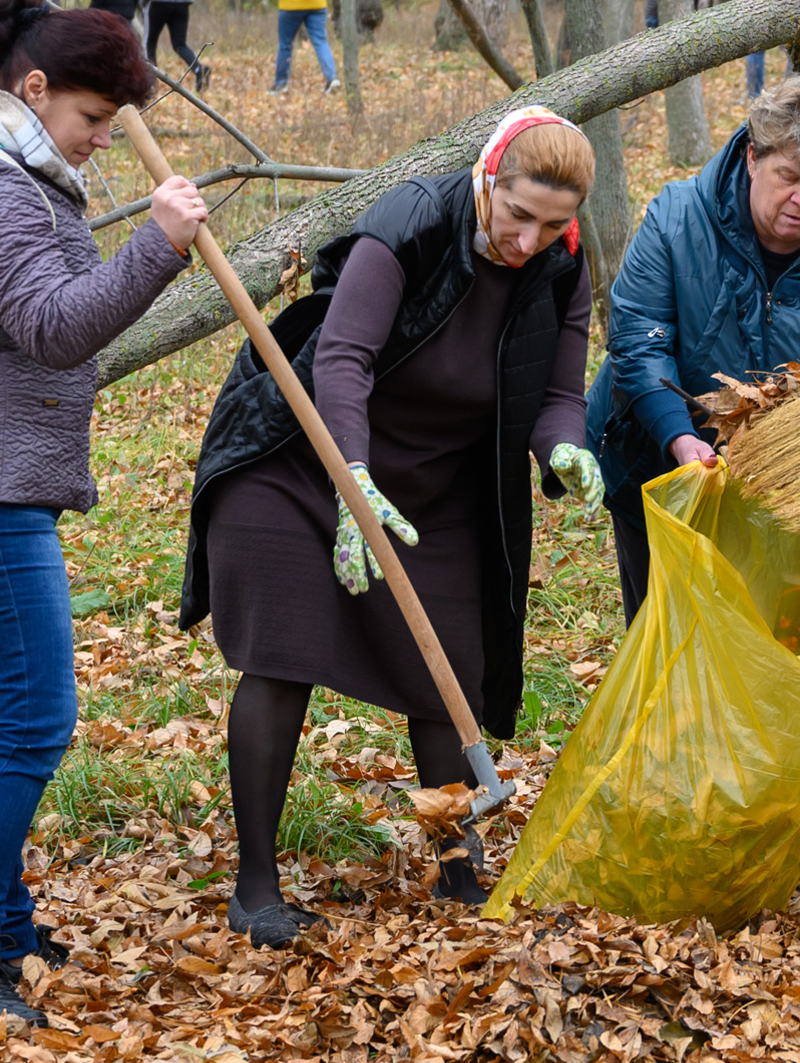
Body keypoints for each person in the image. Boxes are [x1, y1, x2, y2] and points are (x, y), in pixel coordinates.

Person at [180, 108, 602, 945]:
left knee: (447, 669)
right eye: (519, 214)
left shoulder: (561, 264)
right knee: (283, 654)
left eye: (552, 223)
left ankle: (457, 870)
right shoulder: (409, 221)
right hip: (302, 460)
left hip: (438, 485)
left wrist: (564, 451)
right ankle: (256, 887)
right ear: (488, 181)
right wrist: (353, 479)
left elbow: (557, 393)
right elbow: (343, 359)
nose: (529, 239)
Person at [0, 0, 208, 1023]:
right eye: (91, 120)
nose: (104, 141)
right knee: (33, 720)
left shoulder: (20, 171)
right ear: (32, 90)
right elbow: (56, 325)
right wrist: (157, 244)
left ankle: (2, 926)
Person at [585, 74, 800, 884]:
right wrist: (681, 440)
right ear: (751, 157)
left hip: (795, 493)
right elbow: (638, 344)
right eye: (789, 177)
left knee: (797, 655)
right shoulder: (677, 216)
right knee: (674, 644)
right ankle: (678, 825)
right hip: (663, 466)